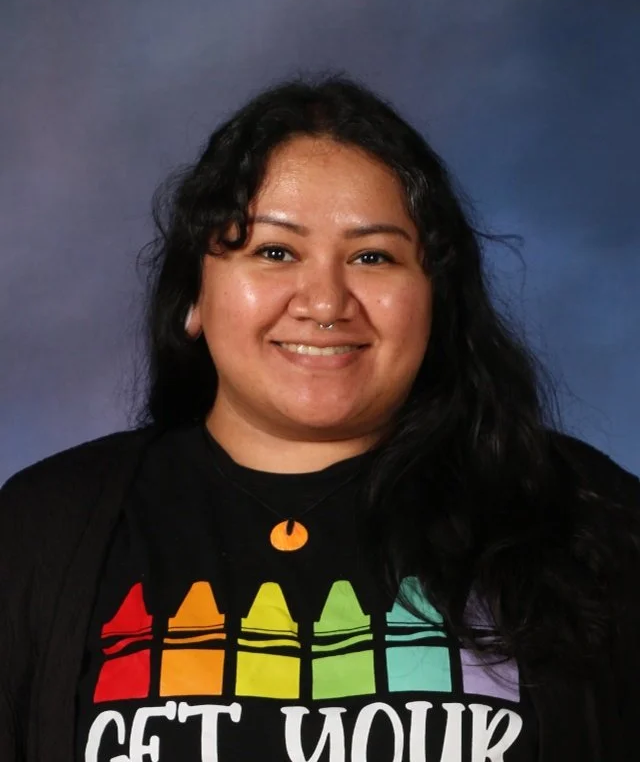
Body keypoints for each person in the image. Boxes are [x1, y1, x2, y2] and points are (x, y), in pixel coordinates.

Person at [1, 76, 638, 762]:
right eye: (275, 252)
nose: (327, 301)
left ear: (436, 302)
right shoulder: (44, 529)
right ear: (193, 295)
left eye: (373, 256)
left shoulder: (583, 514)